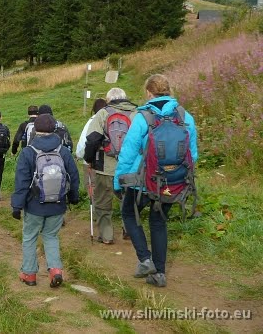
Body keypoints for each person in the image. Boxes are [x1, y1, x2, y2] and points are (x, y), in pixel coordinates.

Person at [114, 74, 198, 288]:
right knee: (159, 223)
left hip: (140, 181)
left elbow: (128, 153)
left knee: (129, 215)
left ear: (149, 93)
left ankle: (145, 259)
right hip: (172, 183)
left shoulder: (143, 117)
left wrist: (118, 181)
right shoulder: (185, 116)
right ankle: (159, 274)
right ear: (169, 91)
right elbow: (192, 155)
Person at [12, 114, 80, 288]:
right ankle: (55, 270)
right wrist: (73, 197)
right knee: (51, 236)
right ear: (54, 130)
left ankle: (29, 274)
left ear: (35, 130)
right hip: (57, 204)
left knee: (29, 237)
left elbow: (22, 182)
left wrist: (17, 206)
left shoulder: (28, 152)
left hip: (34, 205)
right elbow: (73, 176)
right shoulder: (63, 151)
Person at [84, 89, 136, 244]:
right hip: (130, 167)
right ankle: (130, 231)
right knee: (128, 200)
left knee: (103, 201)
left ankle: (106, 236)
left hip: (105, 167)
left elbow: (92, 139)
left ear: (108, 100)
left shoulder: (103, 113)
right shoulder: (137, 114)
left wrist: (90, 159)